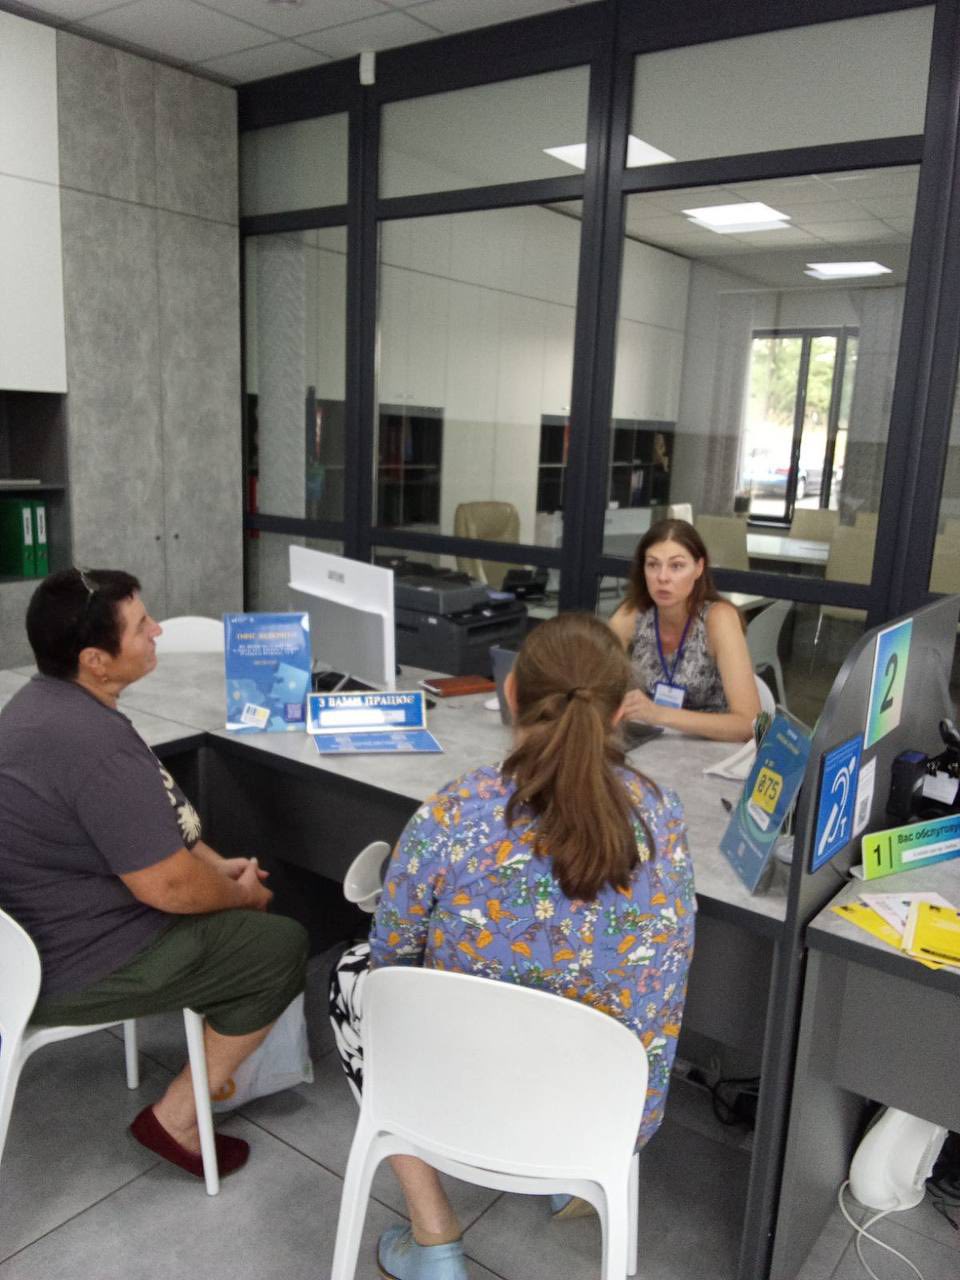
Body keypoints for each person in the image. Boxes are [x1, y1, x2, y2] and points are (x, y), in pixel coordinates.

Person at [328, 613, 695, 1280]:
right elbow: (667, 973)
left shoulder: (453, 812)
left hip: (457, 1099)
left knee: (352, 980)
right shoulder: (662, 818)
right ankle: (566, 1183)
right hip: (607, 1116)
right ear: (620, 712)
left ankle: (434, 1241)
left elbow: (389, 959)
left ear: (511, 693)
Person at [0, 568, 308, 1180]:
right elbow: (166, 886)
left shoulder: (42, 706)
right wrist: (239, 896)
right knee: (279, 946)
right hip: (73, 964)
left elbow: (154, 823)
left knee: (233, 916)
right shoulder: (94, 744)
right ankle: (177, 1120)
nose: (158, 631)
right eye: (142, 626)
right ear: (95, 660)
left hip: (31, 938)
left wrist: (215, 867)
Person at [609, 518, 760, 742]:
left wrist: (660, 714)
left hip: (714, 749)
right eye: (653, 565)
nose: (662, 577)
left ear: (698, 568)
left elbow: (751, 724)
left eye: (676, 566)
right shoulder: (632, 614)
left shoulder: (718, 618)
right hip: (651, 743)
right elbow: (592, 675)